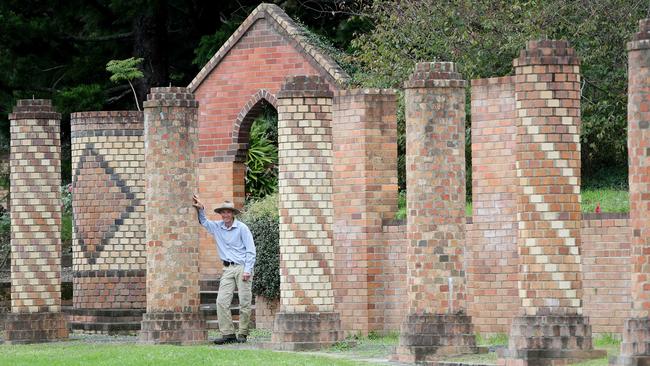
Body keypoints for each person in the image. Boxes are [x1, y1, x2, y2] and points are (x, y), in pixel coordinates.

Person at [192, 195, 256, 344]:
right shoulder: (217, 227)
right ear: (220, 214)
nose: (225, 215)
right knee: (221, 301)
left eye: (228, 212)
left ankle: (243, 333)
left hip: (242, 268)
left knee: (245, 302)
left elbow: (251, 250)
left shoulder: (242, 228)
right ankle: (228, 334)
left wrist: (247, 270)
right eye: (223, 212)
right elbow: (204, 222)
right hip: (227, 269)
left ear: (233, 213)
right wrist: (201, 209)